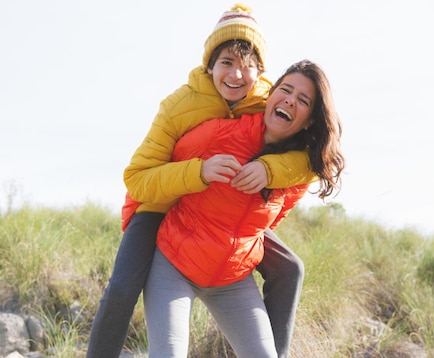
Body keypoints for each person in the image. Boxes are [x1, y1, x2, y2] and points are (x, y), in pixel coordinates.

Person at [86, 4, 313, 357]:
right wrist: (198, 171)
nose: (237, 75)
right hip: (161, 204)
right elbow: (138, 178)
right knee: (121, 288)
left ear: (261, 72)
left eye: (248, 66)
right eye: (226, 63)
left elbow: (310, 156)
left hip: (226, 217)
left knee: (290, 267)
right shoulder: (180, 105)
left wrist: (269, 172)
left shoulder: (268, 100)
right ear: (209, 65)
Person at [143, 59, 344, 357]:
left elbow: (271, 222)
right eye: (286, 90)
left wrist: (269, 171)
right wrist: (200, 171)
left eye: (303, 100)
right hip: (175, 265)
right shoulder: (219, 134)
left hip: (232, 280)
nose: (290, 100)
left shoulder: (299, 172)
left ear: (311, 120)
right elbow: (157, 173)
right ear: (271, 94)